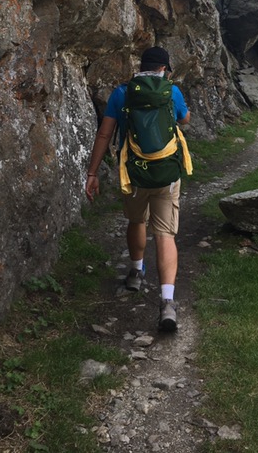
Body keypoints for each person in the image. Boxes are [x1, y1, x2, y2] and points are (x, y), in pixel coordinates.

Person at [85, 46, 191, 332]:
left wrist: (92, 172)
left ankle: (135, 271)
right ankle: (167, 302)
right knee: (165, 234)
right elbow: (184, 119)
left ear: (141, 66)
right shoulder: (172, 91)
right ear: (164, 69)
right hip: (166, 174)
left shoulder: (121, 93)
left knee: (136, 220)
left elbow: (105, 133)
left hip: (133, 173)